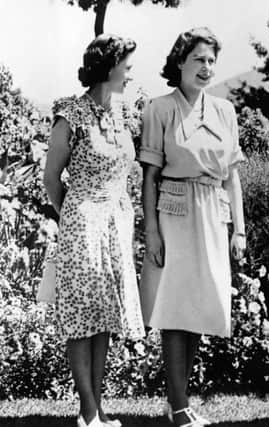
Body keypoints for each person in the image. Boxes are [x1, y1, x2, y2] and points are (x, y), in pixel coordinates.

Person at [138, 27, 246, 427]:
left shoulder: (225, 111)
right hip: (174, 212)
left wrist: (240, 229)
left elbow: (233, 176)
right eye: (199, 59)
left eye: (212, 61)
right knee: (175, 308)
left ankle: (177, 402)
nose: (206, 68)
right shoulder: (159, 109)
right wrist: (151, 231)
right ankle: (179, 404)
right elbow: (149, 177)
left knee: (200, 307)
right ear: (180, 61)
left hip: (213, 215)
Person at [43, 34, 144, 427]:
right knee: (81, 315)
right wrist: (74, 214)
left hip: (117, 220)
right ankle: (87, 411)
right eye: (127, 64)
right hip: (83, 219)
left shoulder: (122, 113)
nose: (131, 72)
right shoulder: (71, 113)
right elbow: (52, 177)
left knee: (104, 315)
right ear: (109, 65)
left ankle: (98, 408)